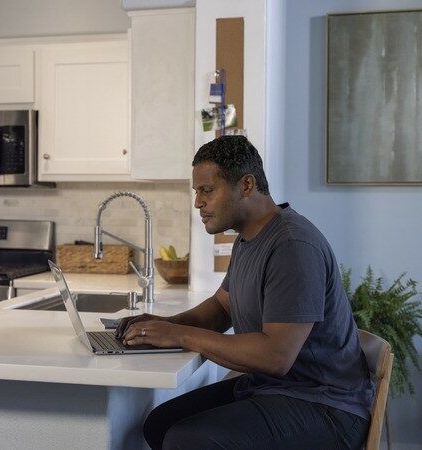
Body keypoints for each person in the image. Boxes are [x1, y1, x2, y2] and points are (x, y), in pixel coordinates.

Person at [116, 135, 374, 449]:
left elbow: (275, 357)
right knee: (160, 424)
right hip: (275, 389)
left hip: (326, 406)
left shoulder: (292, 245)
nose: (198, 202)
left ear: (246, 185)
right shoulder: (248, 238)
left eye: (207, 190)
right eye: (197, 192)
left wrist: (180, 335)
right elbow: (221, 309)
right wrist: (162, 325)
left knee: (187, 440)